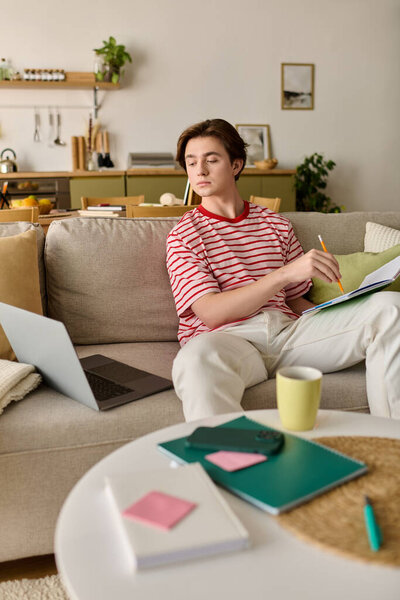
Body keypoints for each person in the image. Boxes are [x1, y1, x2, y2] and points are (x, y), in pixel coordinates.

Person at [166, 118, 400, 421]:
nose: (200, 170)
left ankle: (391, 442)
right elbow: (211, 312)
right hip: (229, 341)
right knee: (195, 360)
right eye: (191, 162)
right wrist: (285, 273)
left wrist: (337, 310)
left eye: (211, 159)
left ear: (236, 165)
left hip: (289, 335)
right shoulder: (184, 235)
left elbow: (294, 300)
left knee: (390, 307)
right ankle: (231, 464)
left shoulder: (276, 224)